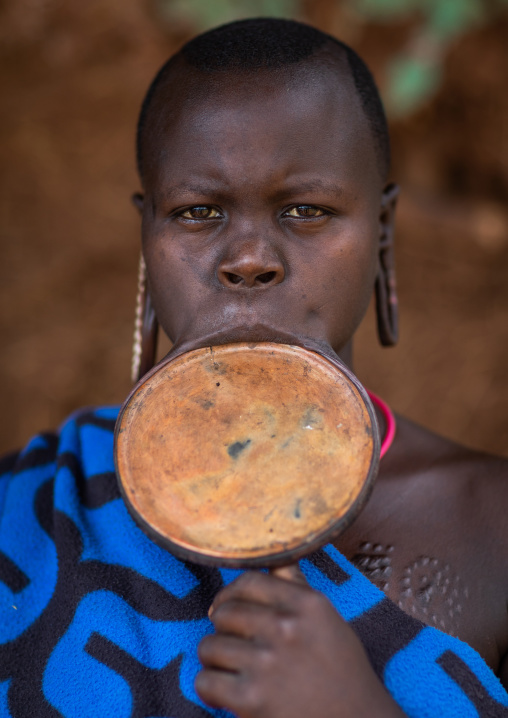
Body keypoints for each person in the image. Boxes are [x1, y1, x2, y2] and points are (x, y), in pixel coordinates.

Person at [1, 17, 507, 718]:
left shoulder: (494, 523)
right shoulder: (28, 512)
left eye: (305, 210)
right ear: (146, 239)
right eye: (199, 213)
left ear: (382, 235)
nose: (248, 258)